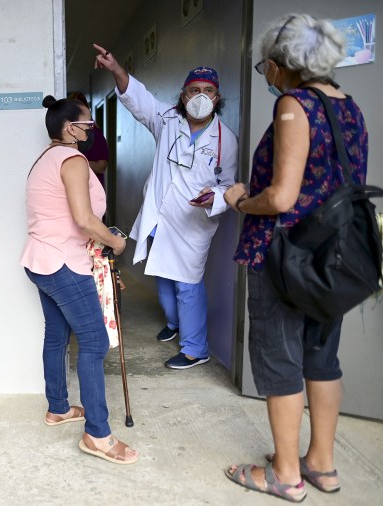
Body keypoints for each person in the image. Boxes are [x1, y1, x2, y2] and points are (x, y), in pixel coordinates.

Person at [223, 14, 365, 502]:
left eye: (267, 66)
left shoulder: (293, 105)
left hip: (284, 256)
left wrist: (240, 200)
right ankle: (322, 465)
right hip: (333, 259)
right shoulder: (349, 107)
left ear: (284, 63)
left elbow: (282, 197)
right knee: (322, 358)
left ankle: (285, 474)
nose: (267, 75)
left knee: (279, 358)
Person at [94, 44, 238, 370]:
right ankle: (174, 324)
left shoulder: (225, 139)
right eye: (194, 90)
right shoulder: (168, 119)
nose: (201, 96)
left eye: (208, 90)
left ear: (217, 97)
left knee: (187, 283)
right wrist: (116, 68)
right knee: (161, 276)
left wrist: (212, 195)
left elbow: (228, 185)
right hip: (160, 215)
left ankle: (194, 348)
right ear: (183, 95)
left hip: (193, 222)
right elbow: (140, 99)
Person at [20, 95, 139, 465]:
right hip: (62, 263)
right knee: (94, 341)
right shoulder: (72, 160)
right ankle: (98, 435)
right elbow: (85, 220)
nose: (92, 130)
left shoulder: (44, 159)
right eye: (87, 124)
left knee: (57, 335)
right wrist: (116, 242)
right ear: (70, 128)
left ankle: (57, 407)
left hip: (41, 260)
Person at [67, 92, 110, 186]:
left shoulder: (95, 133)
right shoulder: (66, 133)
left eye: (80, 109)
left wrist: (77, 164)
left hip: (92, 189)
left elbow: (101, 167)